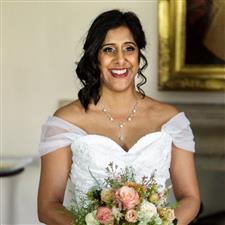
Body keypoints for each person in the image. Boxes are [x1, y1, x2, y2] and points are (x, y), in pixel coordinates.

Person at [37, 9, 200, 225]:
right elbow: (48, 205)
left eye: (129, 49)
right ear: (95, 57)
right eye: (109, 50)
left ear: (139, 55)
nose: (120, 59)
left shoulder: (170, 120)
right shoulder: (66, 122)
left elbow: (190, 198)